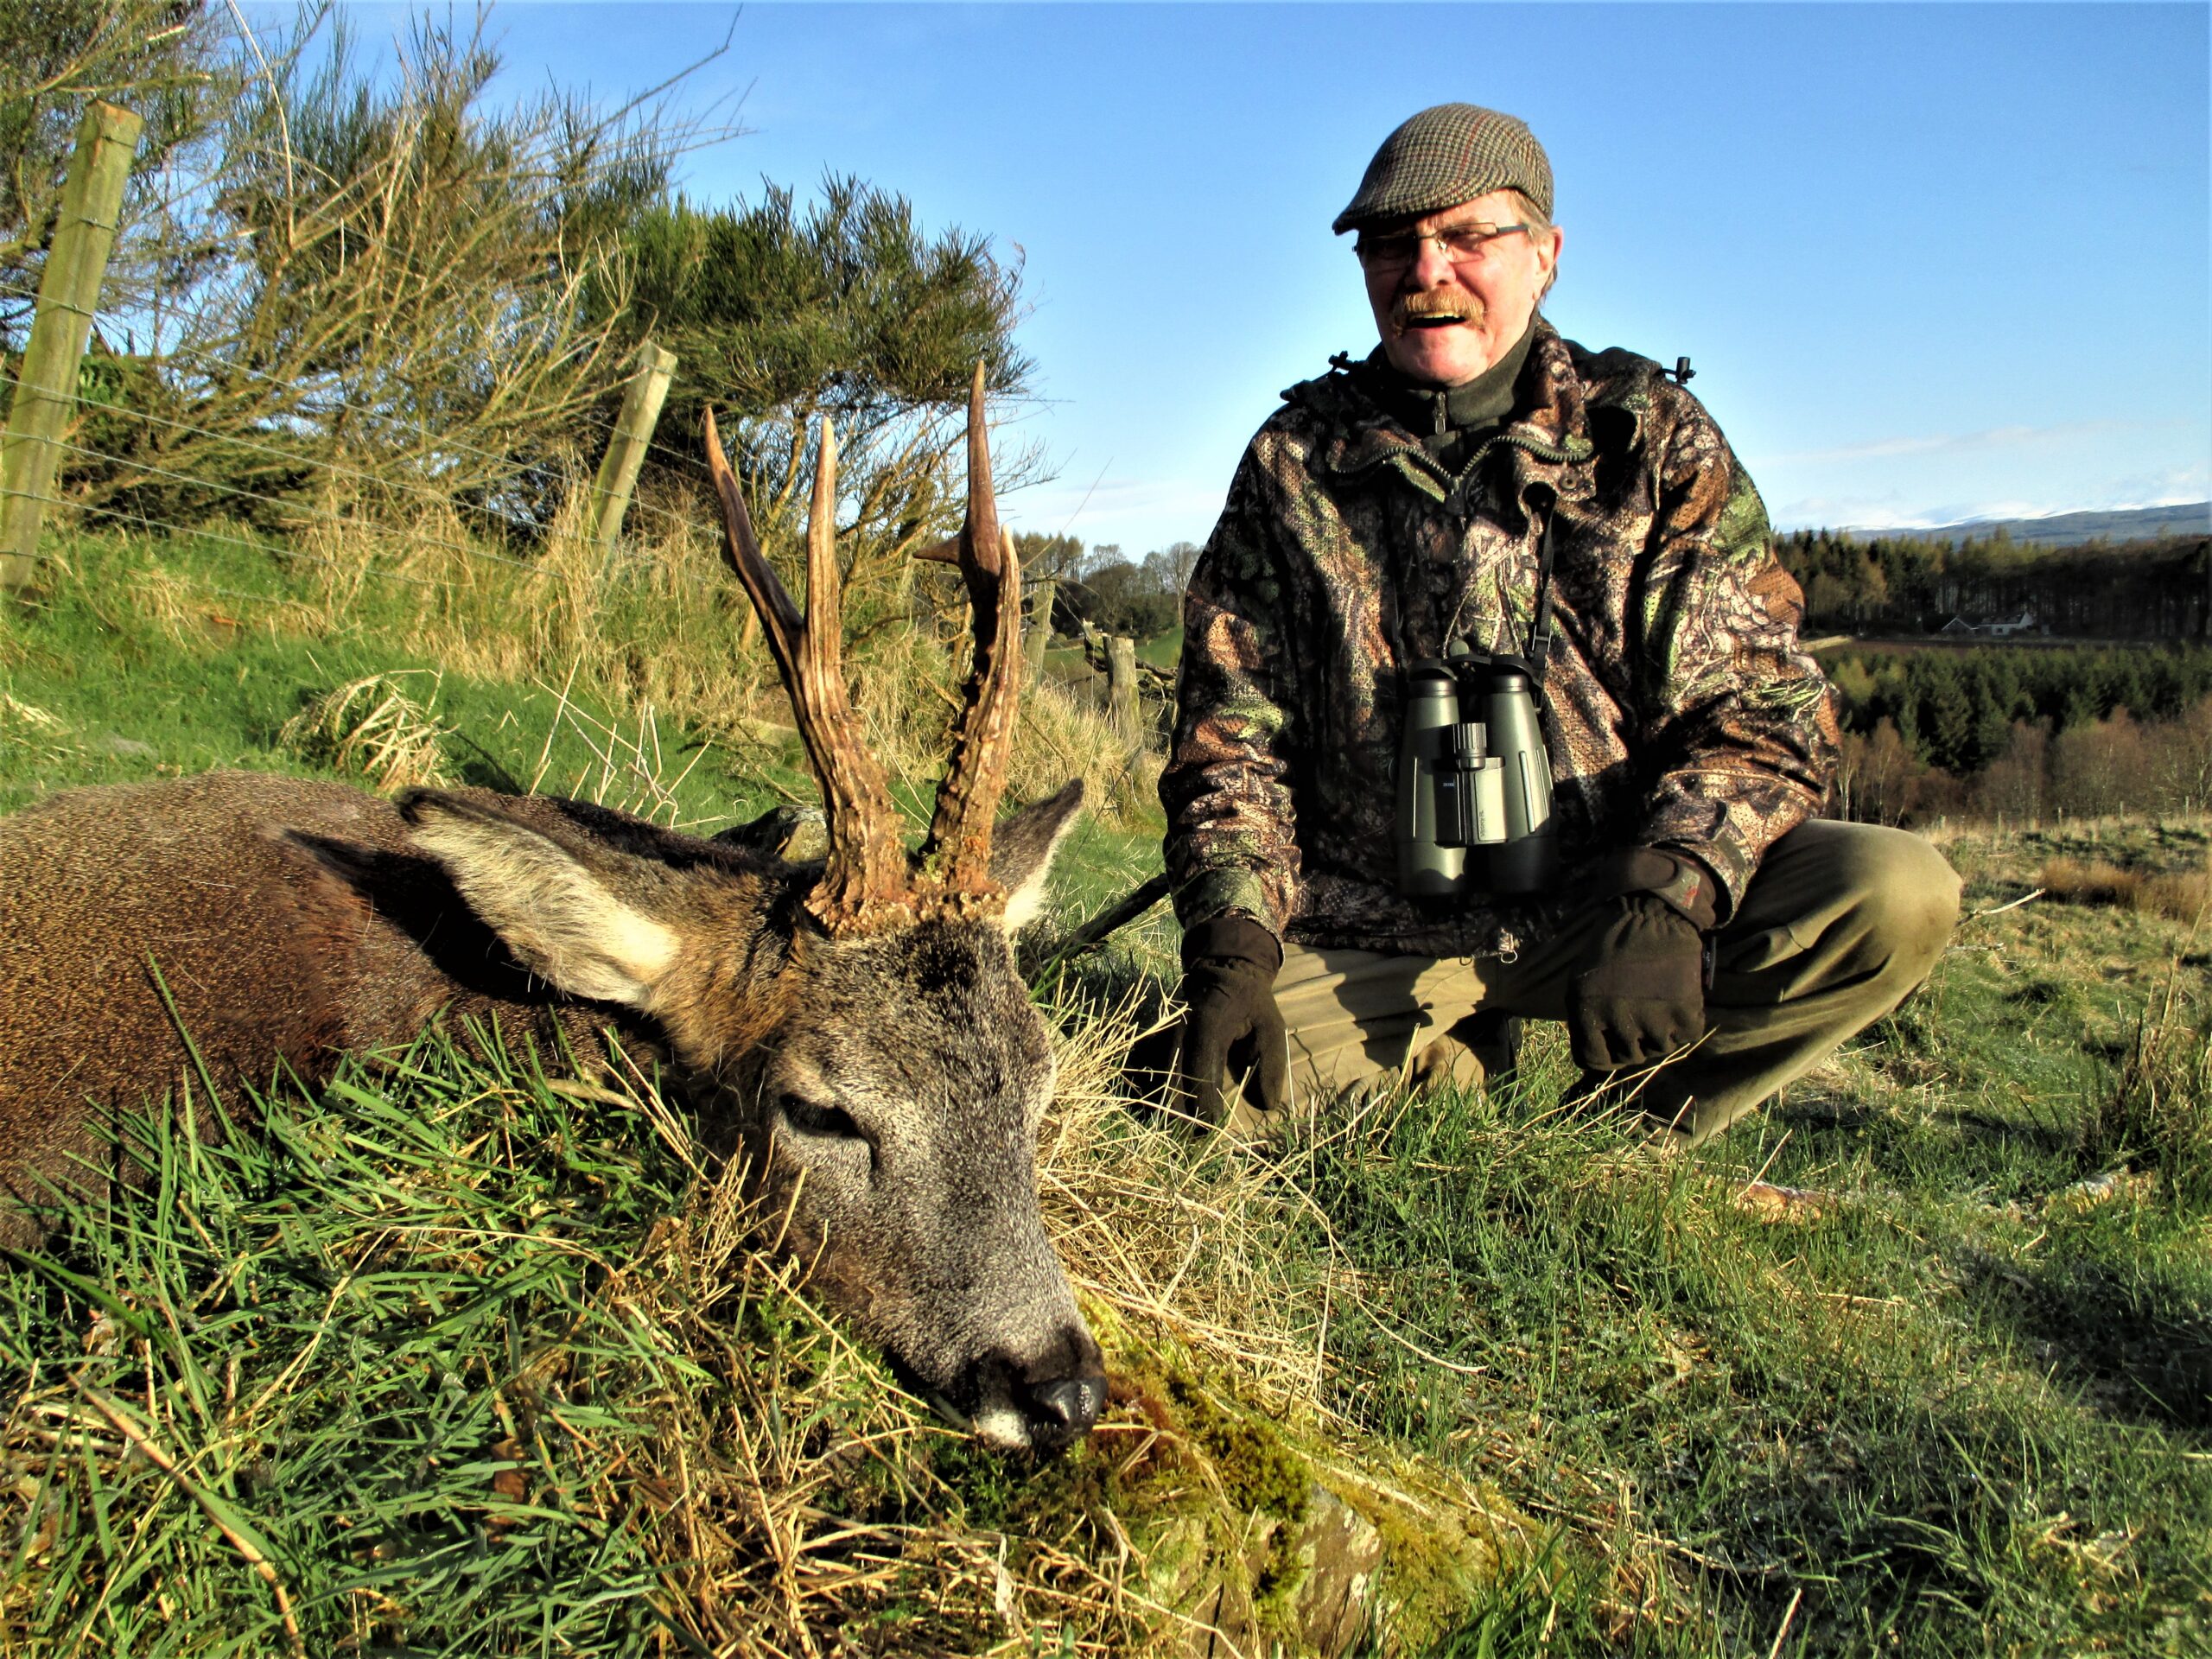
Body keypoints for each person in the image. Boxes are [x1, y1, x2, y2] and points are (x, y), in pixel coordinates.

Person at [1154, 103, 1961, 1146]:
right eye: (1391, 244)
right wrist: (1232, 941)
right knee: (1197, 1108)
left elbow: (1759, 710)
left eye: (1467, 237)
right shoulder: (1295, 461)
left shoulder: (1648, 436)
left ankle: (1629, 1130)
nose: (1425, 271)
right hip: (1373, 921)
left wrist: (1668, 890)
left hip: (1615, 907)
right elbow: (1232, 737)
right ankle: (1439, 1063)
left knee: (1892, 893)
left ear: (1544, 256)